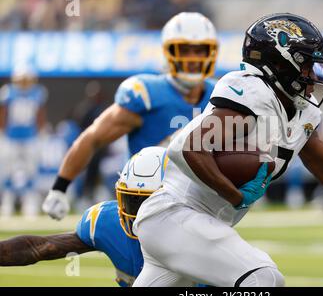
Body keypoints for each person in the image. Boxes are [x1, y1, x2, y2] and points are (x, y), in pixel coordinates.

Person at [132, 13, 323, 287]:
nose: (313, 74)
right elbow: (191, 149)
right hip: (175, 213)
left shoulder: (302, 114)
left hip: (192, 223)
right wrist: (236, 196)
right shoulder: (253, 92)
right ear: (281, 62)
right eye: (307, 64)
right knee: (263, 279)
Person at [42, 12, 219, 220]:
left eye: (200, 50)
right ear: (169, 52)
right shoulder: (147, 95)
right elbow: (93, 138)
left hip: (200, 204)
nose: (193, 58)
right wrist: (59, 187)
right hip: (146, 204)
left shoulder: (219, 95)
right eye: (185, 50)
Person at [0, 147, 166, 287]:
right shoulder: (108, 224)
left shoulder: (191, 230)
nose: (140, 213)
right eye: (134, 200)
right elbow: (42, 248)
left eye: (149, 202)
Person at [0, 64, 47, 218]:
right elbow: (3, 114)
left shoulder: (37, 93)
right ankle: (7, 204)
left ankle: (30, 205)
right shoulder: (9, 93)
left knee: (31, 171)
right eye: (22, 79)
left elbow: (40, 114)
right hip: (11, 137)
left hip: (30, 137)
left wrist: (41, 132)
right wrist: (2, 132)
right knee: (7, 171)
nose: (25, 83)